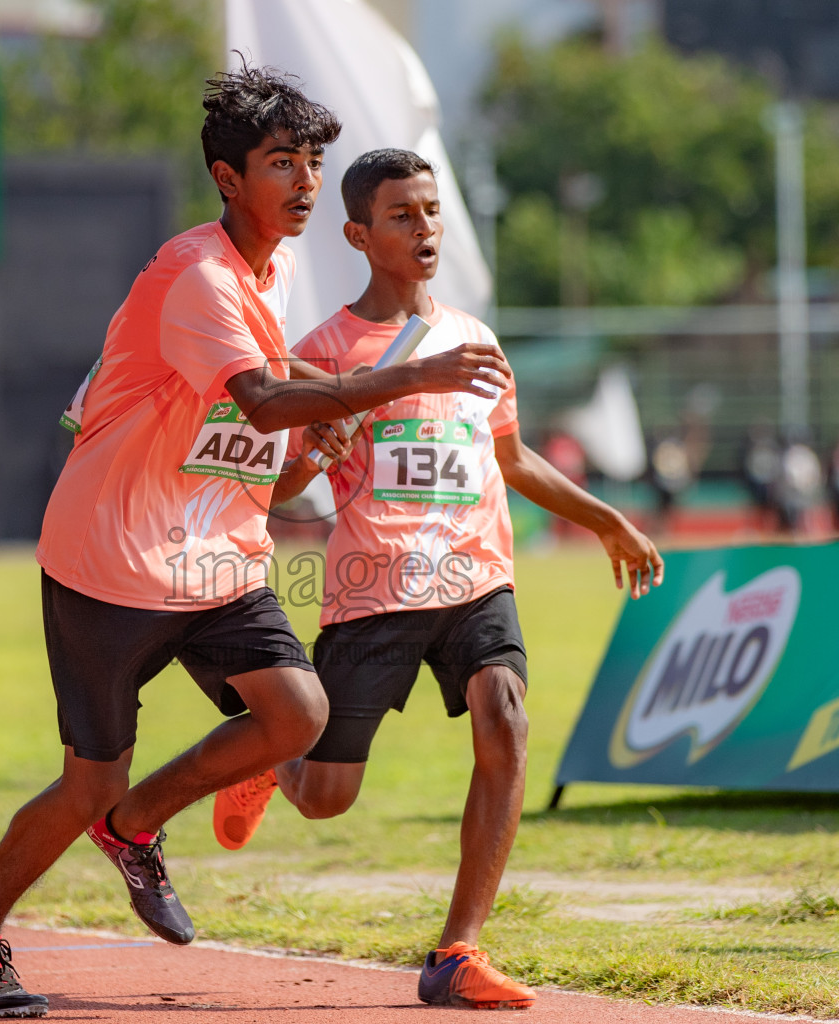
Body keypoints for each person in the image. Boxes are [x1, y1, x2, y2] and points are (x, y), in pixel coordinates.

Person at [0, 68, 512, 1018]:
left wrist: (312, 453)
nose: (308, 182)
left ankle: (138, 825)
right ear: (227, 177)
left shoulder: (270, 272)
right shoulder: (195, 275)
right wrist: (397, 383)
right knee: (84, 782)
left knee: (296, 716)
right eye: (284, 163)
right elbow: (266, 400)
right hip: (112, 562)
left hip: (216, 561)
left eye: (315, 162)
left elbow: (266, 456)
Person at [211, 149, 664, 1011]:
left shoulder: (475, 338)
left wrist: (605, 518)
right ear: (358, 233)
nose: (425, 230)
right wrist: (316, 447)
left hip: (476, 579)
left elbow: (511, 457)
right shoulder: (323, 353)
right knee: (328, 800)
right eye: (402, 216)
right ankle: (274, 761)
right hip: (373, 593)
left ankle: (458, 952)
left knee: (506, 712)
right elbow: (273, 489)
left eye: (431, 213)